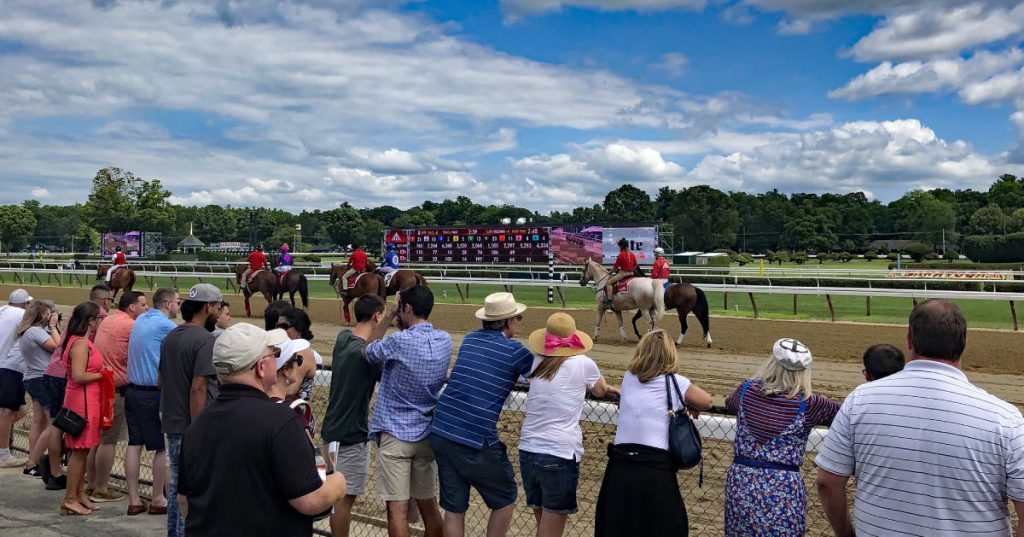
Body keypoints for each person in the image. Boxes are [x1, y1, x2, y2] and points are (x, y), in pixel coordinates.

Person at [816, 299, 1024, 536]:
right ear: (963, 343)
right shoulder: (1006, 418)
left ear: (909, 340)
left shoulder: (860, 400)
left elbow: (826, 482)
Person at [178, 323, 347, 537]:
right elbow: (309, 500)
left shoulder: (198, 425)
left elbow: (184, 501)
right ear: (260, 367)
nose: (278, 359)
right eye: (274, 354)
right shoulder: (281, 420)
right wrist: (337, 483)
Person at [429, 292, 532, 537]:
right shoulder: (515, 350)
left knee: (454, 508)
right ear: (508, 322)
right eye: (517, 319)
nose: (517, 323)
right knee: (505, 497)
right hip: (474, 437)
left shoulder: (470, 339)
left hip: (441, 429)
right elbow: (541, 373)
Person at [595, 329, 712, 537]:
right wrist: (685, 401)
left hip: (620, 467)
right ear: (670, 354)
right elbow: (706, 402)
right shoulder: (677, 382)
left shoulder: (629, 377)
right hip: (655, 469)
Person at [723, 338, 840, 536]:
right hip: (784, 490)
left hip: (741, 484)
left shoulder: (745, 391)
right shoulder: (811, 404)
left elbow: (729, 404)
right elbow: (845, 414)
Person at [520, 312, 617, 537]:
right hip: (559, 453)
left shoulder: (536, 359)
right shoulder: (584, 364)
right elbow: (600, 390)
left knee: (542, 526)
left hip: (528, 451)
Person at [365, 285, 450, 537]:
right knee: (429, 506)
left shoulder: (399, 341)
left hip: (395, 434)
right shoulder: (444, 339)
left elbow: (368, 351)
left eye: (400, 308)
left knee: (397, 511)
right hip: (425, 433)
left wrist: (389, 315)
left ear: (407, 308)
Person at [159, 283, 222, 537]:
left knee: (177, 486)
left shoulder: (171, 336)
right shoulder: (206, 341)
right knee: (193, 491)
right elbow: (199, 388)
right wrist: (199, 430)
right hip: (191, 426)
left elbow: (160, 380)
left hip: (171, 421)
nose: (218, 312)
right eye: (217, 307)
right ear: (208, 307)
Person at [322, 294, 385, 537]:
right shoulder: (367, 357)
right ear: (376, 316)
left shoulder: (342, 338)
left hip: (330, 430)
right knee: (344, 501)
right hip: (353, 435)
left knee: (330, 495)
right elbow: (371, 352)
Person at [125, 288, 178, 516]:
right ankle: (158, 498)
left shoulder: (140, 320)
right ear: (167, 304)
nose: (179, 306)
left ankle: (135, 499)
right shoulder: (166, 326)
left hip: (132, 390)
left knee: (134, 443)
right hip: (152, 393)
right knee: (161, 447)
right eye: (177, 301)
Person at [58, 301, 105, 516]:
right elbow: (78, 375)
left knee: (83, 451)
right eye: (99, 318)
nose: (101, 322)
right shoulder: (79, 344)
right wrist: (103, 375)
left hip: (87, 400)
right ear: (90, 321)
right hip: (81, 402)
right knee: (78, 451)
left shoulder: (81, 341)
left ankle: (78, 493)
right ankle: (69, 498)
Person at [18, 300, 62, 479]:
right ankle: (33, 463)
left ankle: (32, 460)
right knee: (54, 424)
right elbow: (59, 348)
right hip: (41, 379)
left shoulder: (27, 332)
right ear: (39, 314)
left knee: (37, 421)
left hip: (31, 377)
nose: (50, 315)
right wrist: (53, 327)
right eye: (47, 313)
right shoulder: (35, 331)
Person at [0, 288, 31, 468]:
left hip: (5, 365)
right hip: (9, 366)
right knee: (9, 411)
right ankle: (3, 454)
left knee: (20, 409)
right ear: (24, 304)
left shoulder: (2, 310)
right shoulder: (22, 315)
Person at [603, 238, 636, 307]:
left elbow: (615, 267)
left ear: (622, 246)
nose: (619, 247)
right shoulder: (632, 254)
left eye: (620, 246)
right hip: (631, 274)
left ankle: (609, 301)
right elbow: (635, 265)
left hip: (623, 273)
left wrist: (610, 272)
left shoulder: (621, 255)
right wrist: (630, 270)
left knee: (608, 283)